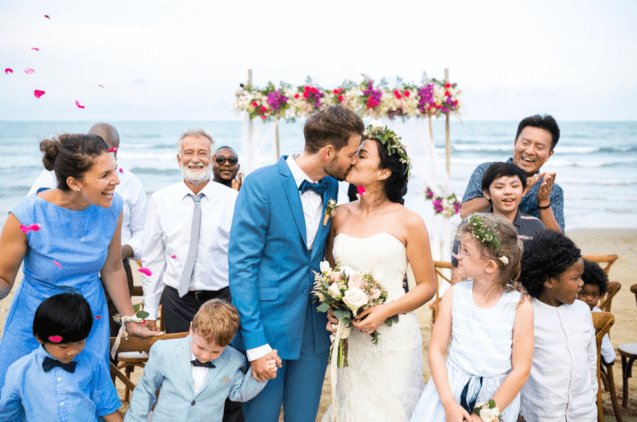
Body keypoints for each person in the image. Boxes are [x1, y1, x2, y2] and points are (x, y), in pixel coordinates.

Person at [228, 104, 364, 422]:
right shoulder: (259, 185)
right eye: (353, 153)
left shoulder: (331, 185)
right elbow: (241, 267)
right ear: (329, 152)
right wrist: (256, 345)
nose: (355, 160)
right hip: (267, 331)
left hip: (314, 331)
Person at [0, 133, 158, 394]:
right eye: (105, 175)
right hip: (34, 321)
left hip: (88, 321)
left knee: (85, 396)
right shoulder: (26, 214)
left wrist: (130, 319)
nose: (117, 181)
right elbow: (5, 280)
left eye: (115, 170)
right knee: (18, 395)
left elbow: (113, 268)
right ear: (74, 182)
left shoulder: (112, 205)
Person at [323, 124, 437, 421]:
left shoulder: (409, 221)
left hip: (393, 336)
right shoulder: (339, 215)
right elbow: (329, 274)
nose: (353, 160)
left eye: (362, 155)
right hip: (351, 335)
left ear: (384, 173)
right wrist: (333, 309)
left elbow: (426, 286)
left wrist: (384, 311)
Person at [141, 128, 241, 421]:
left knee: (223, 367)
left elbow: (240, 255)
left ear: (210, 158)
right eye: (189, 152)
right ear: (178, 158)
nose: (195, 159)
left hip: (221, 299)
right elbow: (152, 258)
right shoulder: (161, 199)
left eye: (201, 153)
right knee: (180, 370)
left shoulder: (232, 199)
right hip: (177, 300)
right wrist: (148, 309)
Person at [26, 123, 149, 338]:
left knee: (107, 341)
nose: (115, 181)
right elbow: (31, 224)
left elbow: (143, 233)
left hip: (114, 268)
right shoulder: (47, 182)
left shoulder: (128, 187)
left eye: (111, 152)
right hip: (59, 276)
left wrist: (122, 251)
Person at [411, 213, 533, 422]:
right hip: (449, 388)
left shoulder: (519, 306)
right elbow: (436, 350)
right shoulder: (455, 294)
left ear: (489, 266)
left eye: (466, 251)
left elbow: (521, 370)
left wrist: (483, 415)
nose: (458, 256)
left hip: (495, 398)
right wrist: (449, 404)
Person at [124, 299, 273, 422]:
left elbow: (239, 393)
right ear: (191, 328)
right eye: (200, 347)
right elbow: (146, 391)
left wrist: (264, 373)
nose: (206, 356)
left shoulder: (234, 360)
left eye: (216, 351)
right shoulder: (164, 351)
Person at [0, 293, 122, 421]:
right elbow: (7, 414)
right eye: (64, 347)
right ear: (40, 338)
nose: (73, 352)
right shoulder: (20, 370)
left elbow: (108, 407)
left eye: (80, 342)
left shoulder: (94, 363)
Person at [518, 230, 597, 422]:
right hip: (542, 413)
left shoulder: (583, 311)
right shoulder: (526, 313)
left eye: (581, 276)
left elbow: (590, 358)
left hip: (584, 412)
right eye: (575, 278)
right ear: (549, 280)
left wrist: (592, 397)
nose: (582, 284)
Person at [460, 114, 564, 232]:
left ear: (549, 154)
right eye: (525, 143)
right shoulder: (485, 171)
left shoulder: (552, 191)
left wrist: (543, 202)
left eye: (539, 147)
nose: (530, 151)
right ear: (515, 143)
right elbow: (465, 213)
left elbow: (559, 244)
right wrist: (500, 193)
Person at [450, 162, 546, 284]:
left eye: (515, 186)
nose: (508, 192)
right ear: (486, 193)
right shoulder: (470, 224)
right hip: (477, 297)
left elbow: (542, 273)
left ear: (524, 191)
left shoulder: (536, 227)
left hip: (522, 298)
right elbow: (458, 272)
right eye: (499, 187)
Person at [580, 259, 616, 364]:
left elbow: (603, 342)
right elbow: (605, 345)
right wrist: (610, 359)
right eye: (584, 294)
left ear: (600, 295)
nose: (589, 299)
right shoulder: (599, 313)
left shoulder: (598, 314)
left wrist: (609, 358)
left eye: (594, 295)